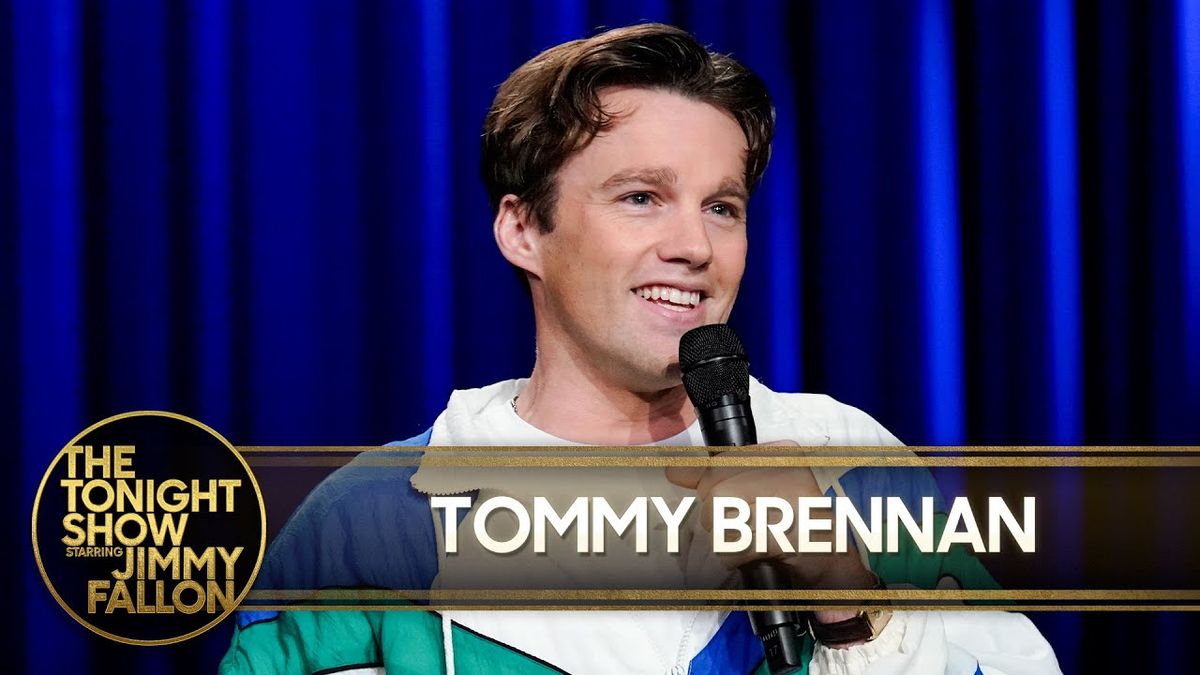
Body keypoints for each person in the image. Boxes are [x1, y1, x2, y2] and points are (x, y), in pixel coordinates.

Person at [220, 23, 1060, 674]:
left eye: (722, 207)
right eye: (641, 197)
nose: (694, 245)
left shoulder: (849, 461)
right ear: (522, 229)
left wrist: (848, 598)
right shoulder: (368, 523)